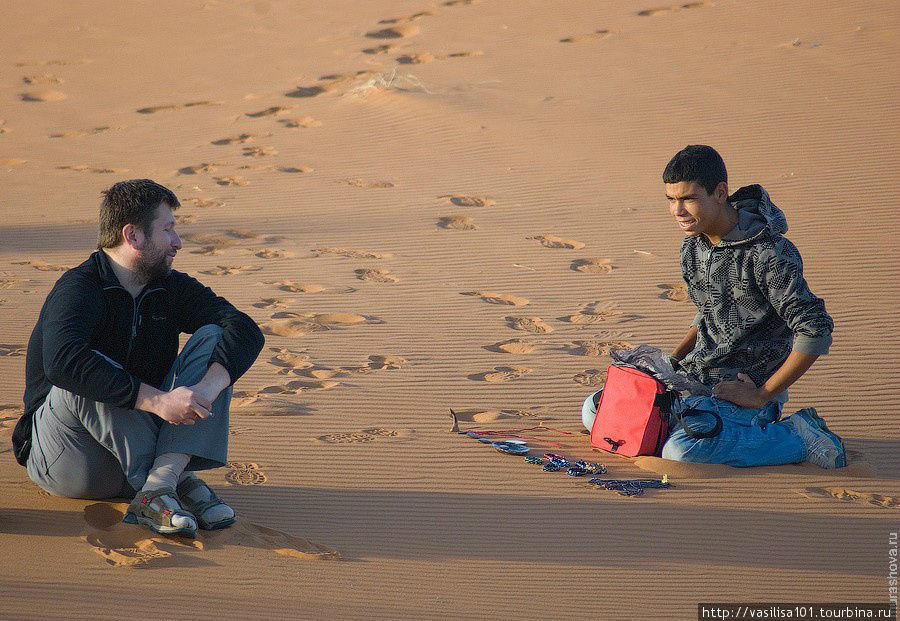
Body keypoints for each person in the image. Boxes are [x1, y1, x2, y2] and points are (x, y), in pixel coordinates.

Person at [12, 179, 265, 536]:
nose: (177, 242)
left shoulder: (170, 287)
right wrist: (158, 400)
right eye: (168, 229)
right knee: (81, 368)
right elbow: (62, 363)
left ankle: (159, 486)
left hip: (138, 451)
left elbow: (245, 328)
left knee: (216, 336)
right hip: (71, 458)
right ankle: (180, 480)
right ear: (133, 236)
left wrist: (208, 389)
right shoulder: (79, 288)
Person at [581, 145, 846, 468]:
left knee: (682, 451)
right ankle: (698, 425)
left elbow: (815, 329)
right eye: (671, 199)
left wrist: (762, 394)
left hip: (746, 389)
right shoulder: (692, 246)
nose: (678, 210)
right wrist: (673, 362)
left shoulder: (769, 254)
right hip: (697, 378)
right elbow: (709, 310)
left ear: (720, 193)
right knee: (594, 410)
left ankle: (798, 437)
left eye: (689, 198)